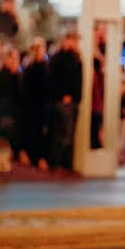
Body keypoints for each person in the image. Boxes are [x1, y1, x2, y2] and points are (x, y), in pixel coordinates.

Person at [48, 31, 82, 169]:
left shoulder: (76, 58)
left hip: (72, 100)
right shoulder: (59, 58)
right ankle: (56, 161)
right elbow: (54, 80)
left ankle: (66, 162)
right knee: (61, 132)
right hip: (62, 101)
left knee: (69, 133)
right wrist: (63, 95)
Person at [19, 38, 51, 170]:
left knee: (42, 133)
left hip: (43, 105)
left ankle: (40, 158)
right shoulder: (29, 68)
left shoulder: (47, 67)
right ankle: (31, 156)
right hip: (30, 106)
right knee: (31, 131)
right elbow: (24, 89)